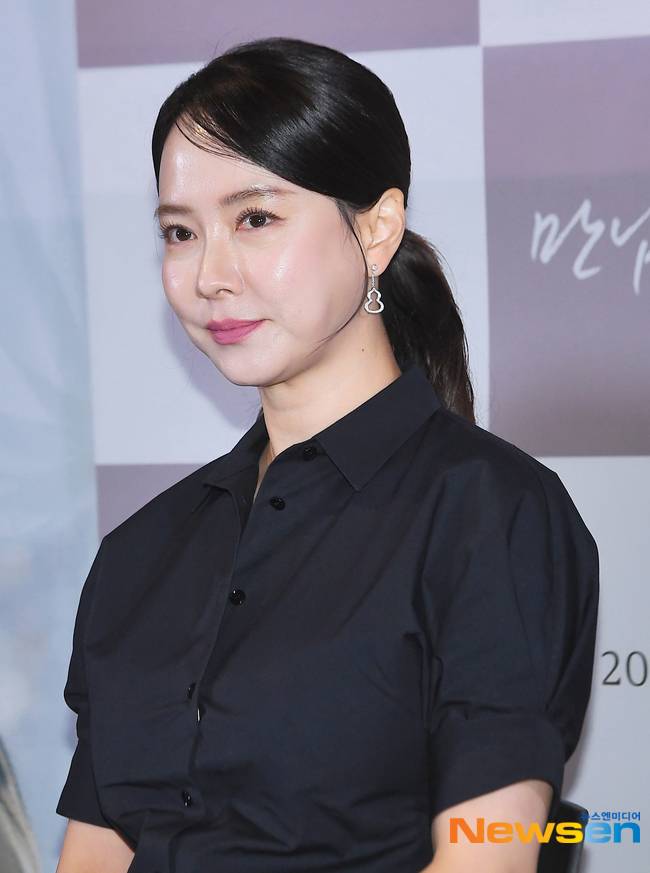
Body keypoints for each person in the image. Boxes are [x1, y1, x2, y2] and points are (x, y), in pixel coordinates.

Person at [55, 36, 599, 873]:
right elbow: (94, 854)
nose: (210, 274)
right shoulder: (140, 555)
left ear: (376, 229)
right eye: (179, 231)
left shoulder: (489, 512)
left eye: (255, 218)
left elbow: (490, 852)